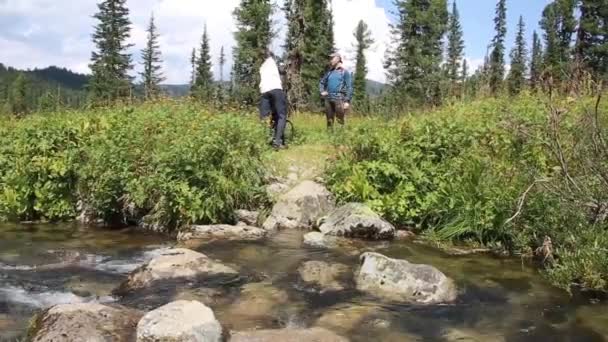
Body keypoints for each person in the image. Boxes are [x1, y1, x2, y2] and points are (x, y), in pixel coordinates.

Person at [259, 50, 288, 150]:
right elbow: (282, 70)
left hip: (264, 91)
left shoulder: (262, 67)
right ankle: (277, 142)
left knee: (265, 117)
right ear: (270, 56)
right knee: (281, 115)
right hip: (275, 89)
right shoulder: (272, 61)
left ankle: (264, 140)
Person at [319, 52, 353, 129]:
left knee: (340, 121)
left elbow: (349, 87)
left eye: (332, 58)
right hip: (328, 99)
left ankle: (341, 139)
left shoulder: (344, 72)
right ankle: (329, 139)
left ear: (338, 59)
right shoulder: (330, 72)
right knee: (329, 122)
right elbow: (322, 82)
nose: (330, 60)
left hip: (339, 98)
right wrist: (322, 91)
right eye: (330, 59)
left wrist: (347, 101)